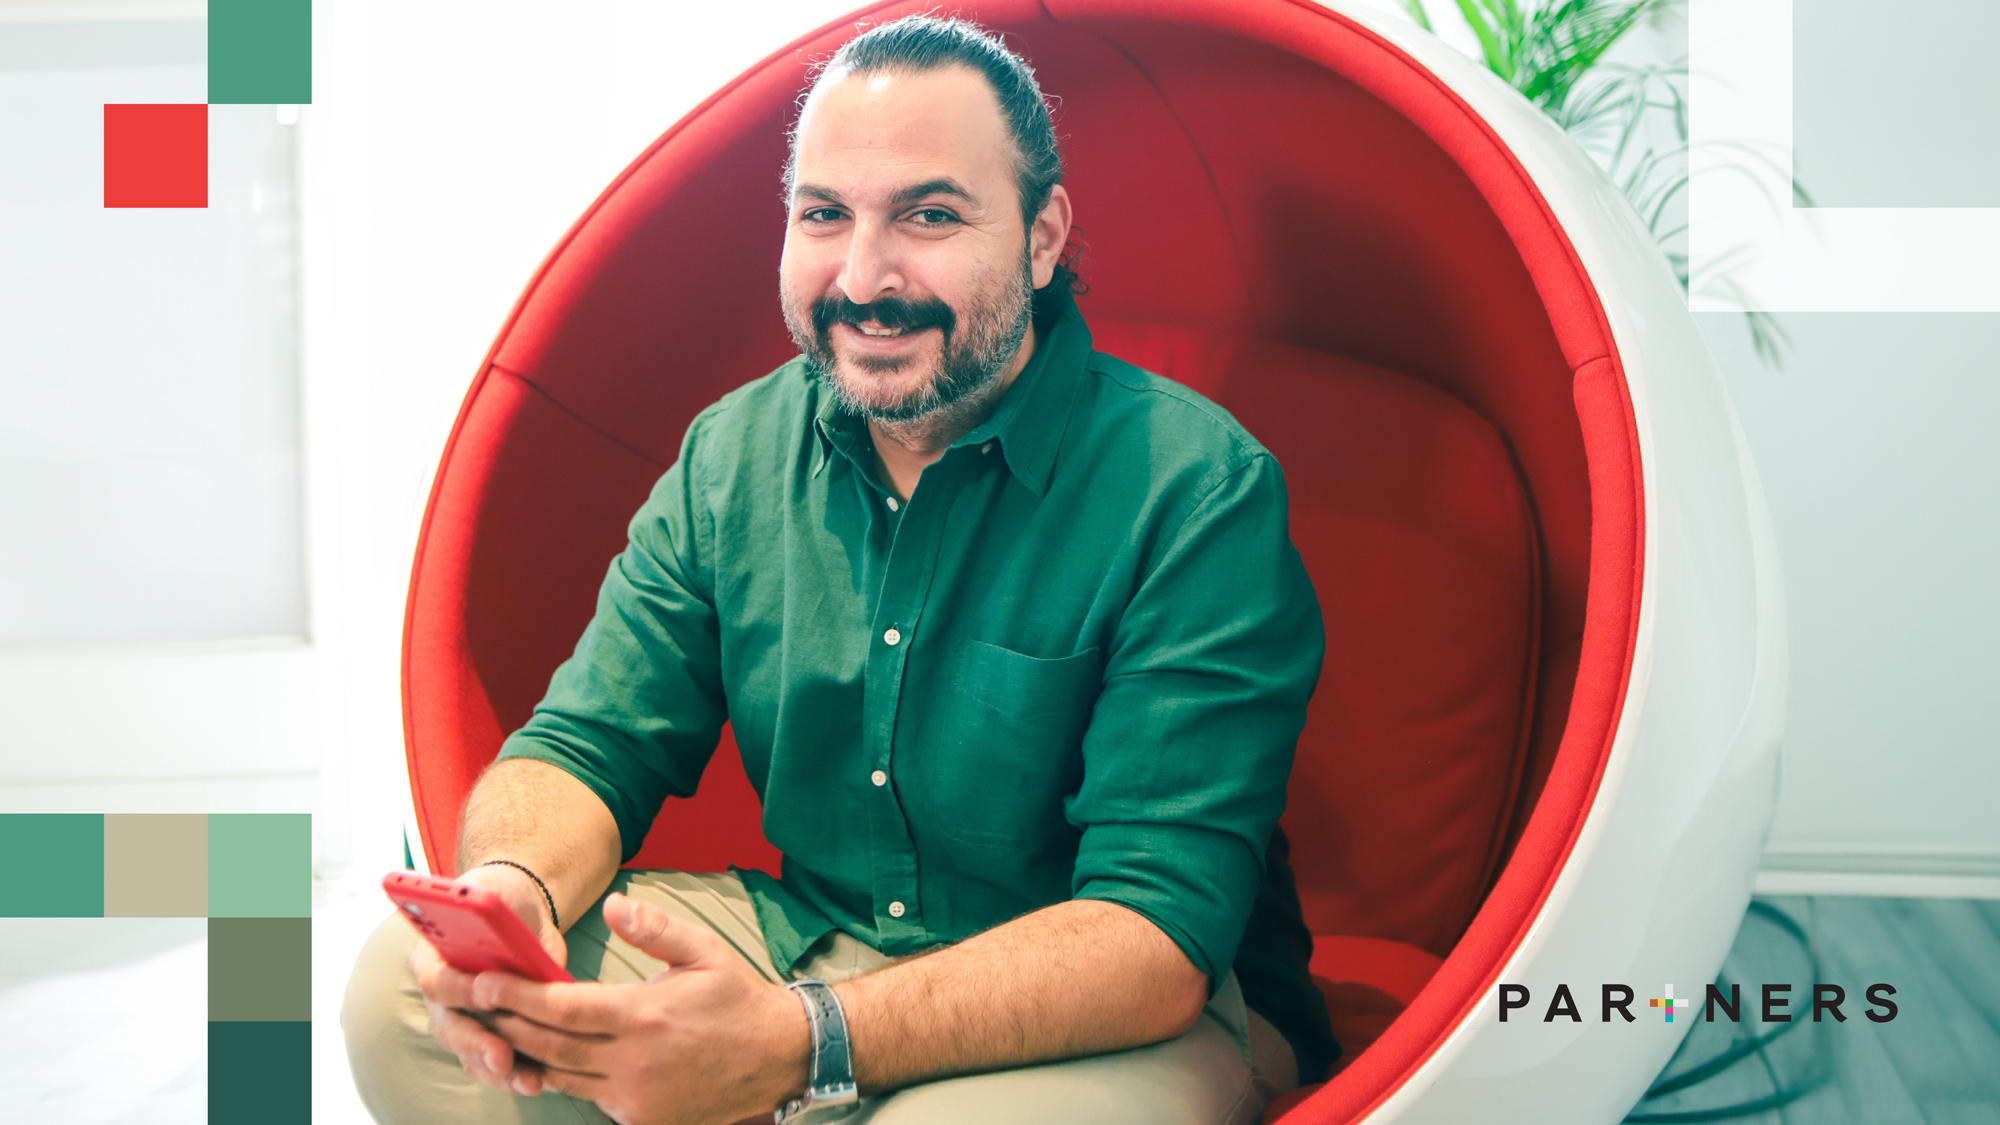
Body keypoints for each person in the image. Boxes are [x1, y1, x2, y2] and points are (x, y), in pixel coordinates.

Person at [342, 15, 1336, 1125]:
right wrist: (514, 892)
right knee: (401, 997)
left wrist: (799, 1043)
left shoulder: (1193, 487)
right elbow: (586, 745)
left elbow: (1151, 936)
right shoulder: (731, 455)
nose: (863, 276)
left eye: (929, 215)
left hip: (1121, 1006)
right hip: (813, 946)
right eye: (824, 215)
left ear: (1042, 237)